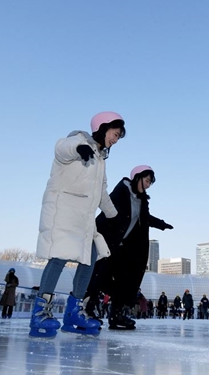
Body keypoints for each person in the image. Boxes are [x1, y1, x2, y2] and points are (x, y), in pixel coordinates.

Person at [30, 112, 125, 338]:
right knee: (59, 258)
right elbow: (62, 149)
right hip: (63, 212)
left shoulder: (100, 159)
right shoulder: (78, 141)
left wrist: (115, 215)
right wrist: (77, 149)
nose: (116, 139)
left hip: (83, 219)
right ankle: (40, 311)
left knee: (90, 258)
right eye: (115, 133)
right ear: (103, 127)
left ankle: (74, 312)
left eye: (119, 137)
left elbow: (101, 192)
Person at [83, 165, 173, 330]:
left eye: (150, 183)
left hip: (122, 246)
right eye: (146, 181)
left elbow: (145, 218)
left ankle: (116, 315)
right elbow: (107, 204)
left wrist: (161, 224)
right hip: (106, 239)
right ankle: (86, 310)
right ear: (137, 176)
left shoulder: (141, 201)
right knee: (98, 274)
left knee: (125, 279)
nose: (147, 185)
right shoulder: (123, 189)